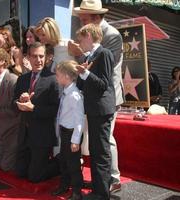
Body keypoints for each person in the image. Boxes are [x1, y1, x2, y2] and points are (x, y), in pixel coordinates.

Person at [71, 0, 124, 193]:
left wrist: (80, 57)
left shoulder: (112, 36)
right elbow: (87, 64)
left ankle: (113, 180)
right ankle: (100, 184)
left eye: (83, 19)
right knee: (95, 145)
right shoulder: (88, 44)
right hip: (93, 100)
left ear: (95, 19)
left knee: (104, 142)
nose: (80, 23)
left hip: (107, 98)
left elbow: (104, 71)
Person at [76, 24, 115, 200]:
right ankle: (98, 187)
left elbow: (103, 84)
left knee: (100, 151)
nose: (79, 42)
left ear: (89, 36)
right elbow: (85, 85)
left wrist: (85, 74)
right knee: (95, 149)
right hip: (93, 109)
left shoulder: (104, 53)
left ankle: (102, 193)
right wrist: (80, 75)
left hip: (101, 109)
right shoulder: (89, 56)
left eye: (81, 39)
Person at [14, 42, 60, 183]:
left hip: (42, 135)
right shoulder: (22, 79)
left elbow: (55, 109)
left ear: (46, 57)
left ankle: (62, 164)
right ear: (28, 57)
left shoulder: (53, 79)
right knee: (20, 173)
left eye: (41, 56)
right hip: (24, 134)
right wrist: (20, 101)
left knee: (35, 177)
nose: (38, 60)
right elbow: (13, 102)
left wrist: (33, 108)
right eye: (34, 56)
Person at [51, 60, 85, 200]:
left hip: (72, 134)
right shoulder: (66, 92)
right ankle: (64, 186)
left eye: (58, 75)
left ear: (66, 76)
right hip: (65, 132)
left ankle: (77, 192)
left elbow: (79, 120)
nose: (56, 77)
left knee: (73, 165)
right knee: (63, 162)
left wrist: (75, 140)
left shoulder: (74, 95)